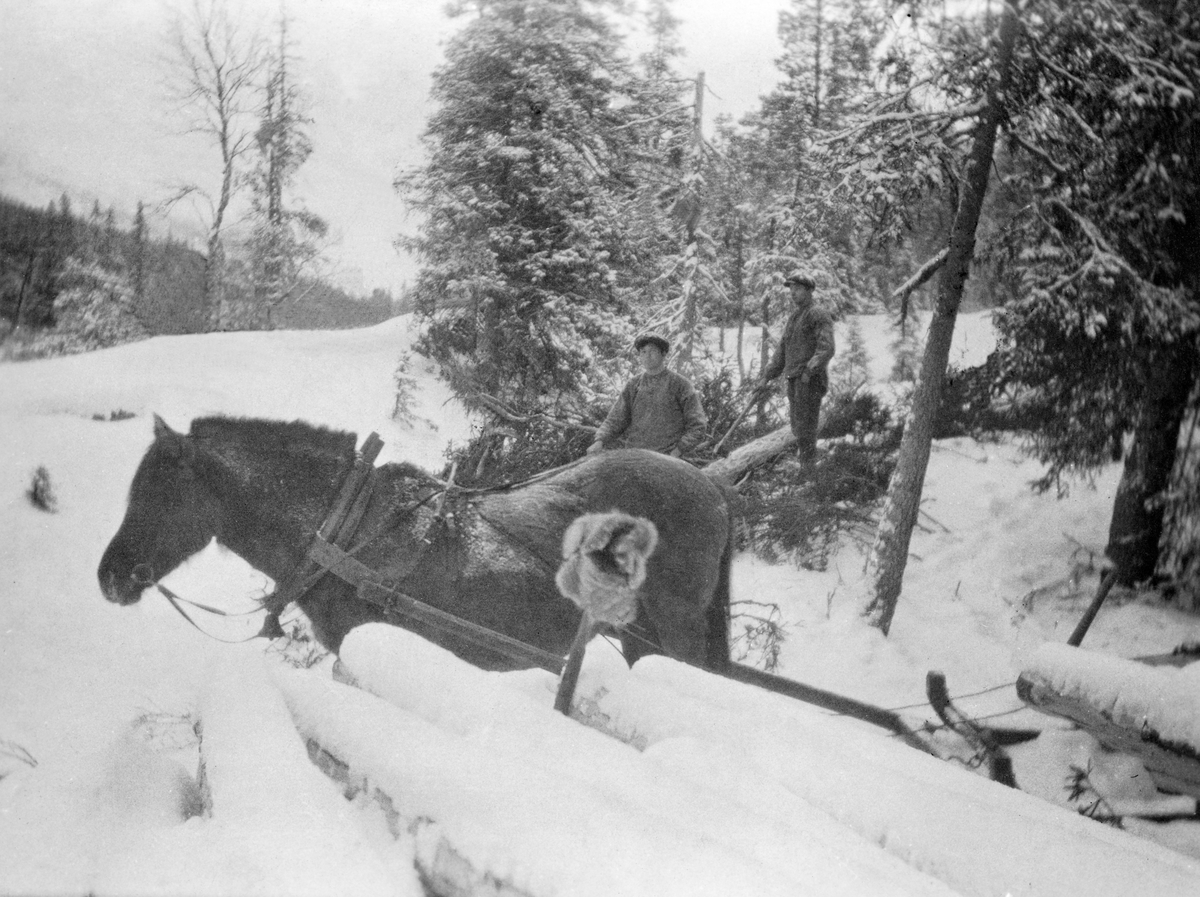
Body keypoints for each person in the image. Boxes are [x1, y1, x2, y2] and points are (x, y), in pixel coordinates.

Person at [587, 333, 707, 458]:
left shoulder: (680, 385)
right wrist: (599, 441)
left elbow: (697, 425)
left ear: (664, 354)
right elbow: (616, 418)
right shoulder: (633, 385)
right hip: (635, 456)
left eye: (652, 351)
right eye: (643, 352)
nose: (647, 356)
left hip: (669, 458)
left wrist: (678, 451)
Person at [761, 272, 836, 464]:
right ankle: (806, 467)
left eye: (798, 289)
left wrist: (809, 371)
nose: (793, 293)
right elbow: (783, 349)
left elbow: (826, 348)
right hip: (795, 379)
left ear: (809, 291)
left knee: (807, 427)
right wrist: (767, 375)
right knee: (798, 427)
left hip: (809, 379)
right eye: (791, 290)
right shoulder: (795, 317)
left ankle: (808, 471)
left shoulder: (817, 313)